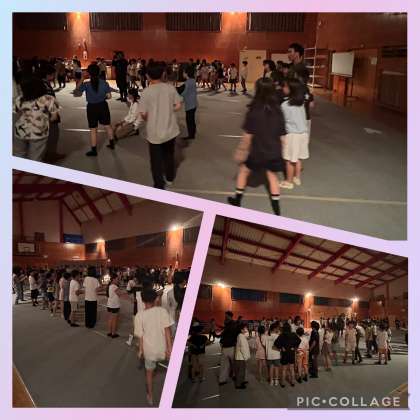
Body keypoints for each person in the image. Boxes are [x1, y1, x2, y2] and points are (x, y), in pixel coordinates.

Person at [227, 77, 286, 215]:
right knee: (272, 176)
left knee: (243, 171)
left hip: (258, 151)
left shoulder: (254, 111)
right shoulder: (278, 111)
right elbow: (283, 136)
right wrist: (282, 151)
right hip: (273, 150)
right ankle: (277, 209)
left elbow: (247, 136)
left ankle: (237, 199)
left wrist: (241, 150)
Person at [139, 62, 182, 190]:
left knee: (155, 160)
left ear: (147, 76)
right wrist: (167, 110)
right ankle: (170, 178)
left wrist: (150, 117)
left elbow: (143, 114)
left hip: (154, 132)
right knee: (169, 155)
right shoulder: (170, 88)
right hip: (170, 129)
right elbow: (178, 105)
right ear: (163, 74)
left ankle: (159, 184)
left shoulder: (146, 92)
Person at [137, 289, 174, 406]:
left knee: (149, 373)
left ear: (142, 300)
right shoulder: (162, 311)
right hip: (162, 349)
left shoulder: (139, 315)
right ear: (155, 299)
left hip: (149, 351)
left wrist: (140, 350)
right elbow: (167, 331)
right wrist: (169, 349)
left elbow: (140, 336)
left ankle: (150, 396)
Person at [14, 76, 60, 161]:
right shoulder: (48, 98)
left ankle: (18, 168)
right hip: (38, 132)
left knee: (19, 154)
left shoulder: (20, 99)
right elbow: (54, 117)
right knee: (35, 157)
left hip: (20, 130)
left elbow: (17, 113)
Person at [78, 63, 115, 156]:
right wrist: (101, 98)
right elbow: (109, 96)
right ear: (99, 72)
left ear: (89, 73)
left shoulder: (86, 84)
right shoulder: (104, 83)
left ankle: (94, 150)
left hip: (91, 108)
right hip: (103, 106)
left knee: (93, 129)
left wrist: (82, 78)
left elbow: (77, 90)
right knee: (107, 125)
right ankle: (112, 144)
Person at [279, 78, 309, 189]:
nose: (283, 88)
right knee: (298, 158)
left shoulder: (285, 105)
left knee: (289, 160)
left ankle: (289, 181)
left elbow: (282, 121)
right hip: (303, 134)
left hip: (292, 135)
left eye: (285, 86)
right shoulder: (301, 103)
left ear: (290, 89)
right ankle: (297, 177)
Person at [274, 322, 301, 387]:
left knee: (284, 369)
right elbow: (299, 340)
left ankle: (283, 383)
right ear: (289, 328)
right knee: (291, 368)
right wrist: (294, 347)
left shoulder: (281, 335)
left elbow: (276, 343)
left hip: (285, 353)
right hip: (291, 352)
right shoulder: (293, 334)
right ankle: (292, 382)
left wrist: (281, 347)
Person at [218, 311, 240, 385]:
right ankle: (233, 376)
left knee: (226, 364)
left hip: (229, 347)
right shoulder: (232, 324)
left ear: (229, 316)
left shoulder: (230, 324)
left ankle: (223, 379)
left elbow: (223, 333)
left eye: (226, 316)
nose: (225, 317)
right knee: (232, 363)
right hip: (230, 346)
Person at [181, 66, 198, 140]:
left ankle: (191, 135)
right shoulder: (193, 80)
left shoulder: (187, 83)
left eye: (184, 72)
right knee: (192, 119)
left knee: (189, 120)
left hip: (190, 105)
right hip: (194, 103)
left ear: (186, 73)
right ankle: (193, 133)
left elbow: (183, 92)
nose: (183, 73)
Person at [263, 321, 281, 386]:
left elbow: (264, 345)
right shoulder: (277, 336)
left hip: (269, 355)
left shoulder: (266, 336)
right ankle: (276, 381)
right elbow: (280, 346)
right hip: (276, 355)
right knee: (276, 368)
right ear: (275, 329)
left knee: (271, 368)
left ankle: (271, 381)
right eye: (277, 328)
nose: (278, 329)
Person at [234, 322, 251, 389]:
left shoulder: (240, 335)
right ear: (241, 330)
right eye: (245, 328)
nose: (246, 329)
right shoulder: (241, 337)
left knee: (241, 370)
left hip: (240, 357)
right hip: (241, 357)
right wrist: (246, 357)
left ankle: (241, 381)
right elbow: (243, 348)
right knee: (240, 371)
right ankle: (238, 384)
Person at [106, 273, 123, 338]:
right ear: (113, 279)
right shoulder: (114, 286)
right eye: (117, 279)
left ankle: (109, 332)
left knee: (110, 319)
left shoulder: (109, 286)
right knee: (115, 320)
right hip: (114, 305)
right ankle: (113, 333)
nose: (118, 280)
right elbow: (120, 294)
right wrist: (130, 299)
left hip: (109, 305)